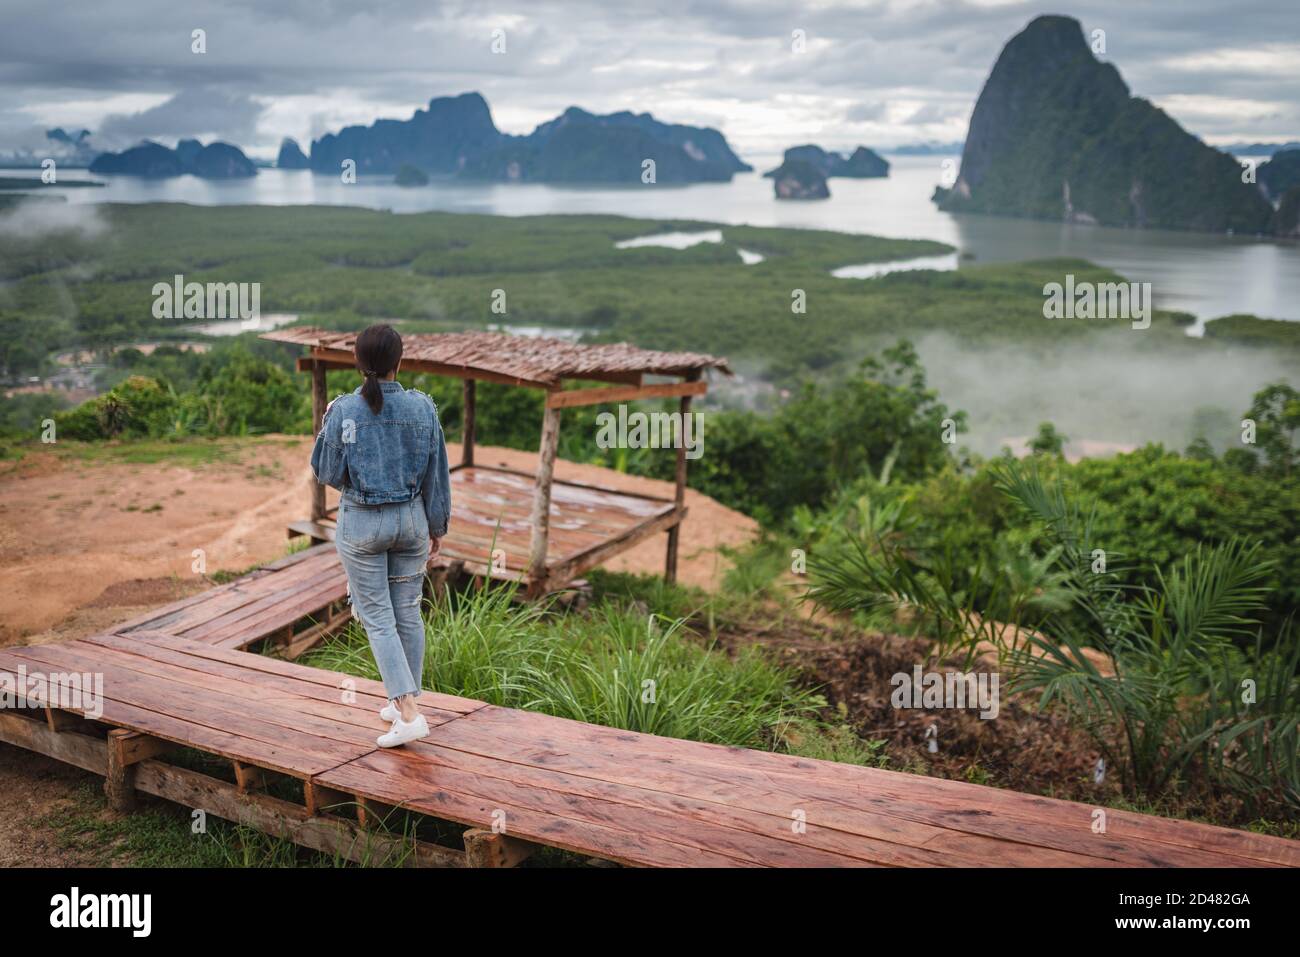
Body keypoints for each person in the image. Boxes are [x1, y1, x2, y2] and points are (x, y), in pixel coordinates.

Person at [310, 324, 451, 748]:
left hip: (363, 526)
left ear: (359, 364)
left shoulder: (345, 411)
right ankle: (404, 698)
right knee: (407, 610)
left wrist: (329, 423)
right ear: (399, 362)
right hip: (411, 522)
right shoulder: (423, 408)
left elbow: (326, 473)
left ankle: (407, 712)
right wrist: (436, 525)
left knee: (379, 619)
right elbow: (437, 474)